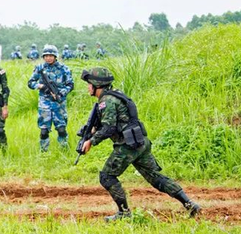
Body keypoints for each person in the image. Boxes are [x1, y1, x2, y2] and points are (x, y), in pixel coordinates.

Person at [78, 67, 201, 221]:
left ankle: (124, 213)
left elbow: (109, 128)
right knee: (155, 178)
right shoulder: (116, 95)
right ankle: (189, 204)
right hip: (139, 141)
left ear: (97, 84)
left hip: (127, 145)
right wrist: (92, 130)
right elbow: (114, 122)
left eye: (89, 84)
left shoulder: (106, 101)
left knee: (107, 177)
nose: (88, 87)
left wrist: (91, 141)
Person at [27, 44, 74, 152]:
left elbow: (70, 85)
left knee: (61, 129)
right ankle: (44, 153)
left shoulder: (63, 68)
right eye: (46, 56)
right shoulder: (40, 68)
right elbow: (30, 83)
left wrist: (61, 93)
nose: (48, 58)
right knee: (44, 131)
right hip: (44, 102)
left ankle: (64, 151)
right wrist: (42, 87)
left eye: (51, 56)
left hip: (59, 102)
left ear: (55, 56)